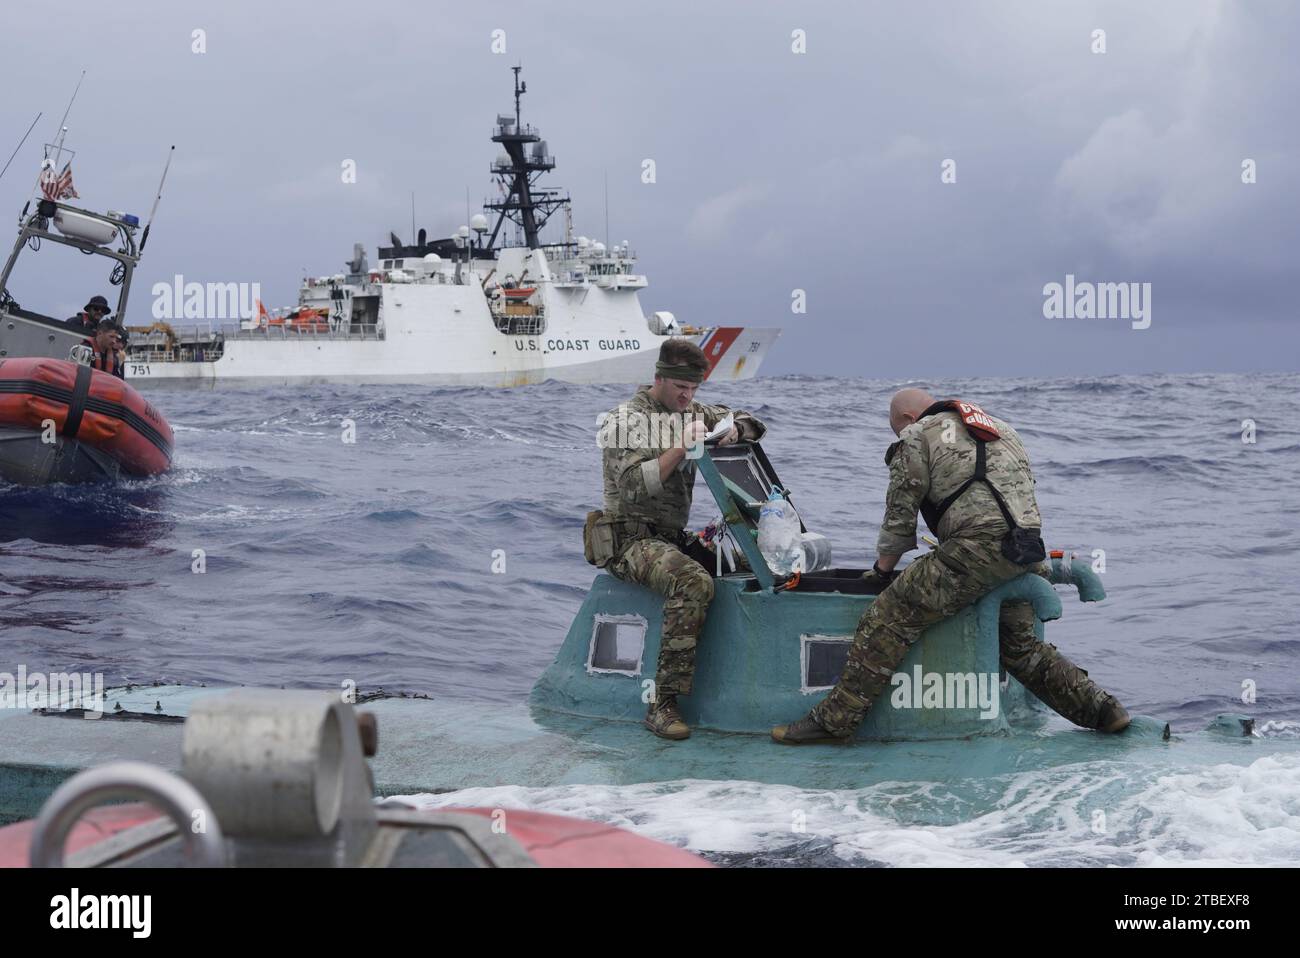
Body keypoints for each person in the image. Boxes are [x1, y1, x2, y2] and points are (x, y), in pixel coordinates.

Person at [772, 387, 1129, 744]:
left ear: (908, 420)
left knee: (887, 618)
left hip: (975, 551)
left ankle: (834, 723)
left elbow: (899, 521)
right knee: (1020, 647)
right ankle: (1103, 710)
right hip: (1026, 550)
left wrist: (882, 572)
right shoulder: (1001, 428)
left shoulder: (915, 435)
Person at [590, 340, 767, 740]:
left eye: (694, 389)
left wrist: (735, 429)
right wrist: (680, 446)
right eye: (679, 388)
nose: (687, 396)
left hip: (671, 537)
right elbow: (634, 487)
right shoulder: (625, 420)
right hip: (627, 539)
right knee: (693, 581)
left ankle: (739, 688)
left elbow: (756, 424)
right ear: (659, 378)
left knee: (752, 566)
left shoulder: (693, 410)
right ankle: (663, 702)